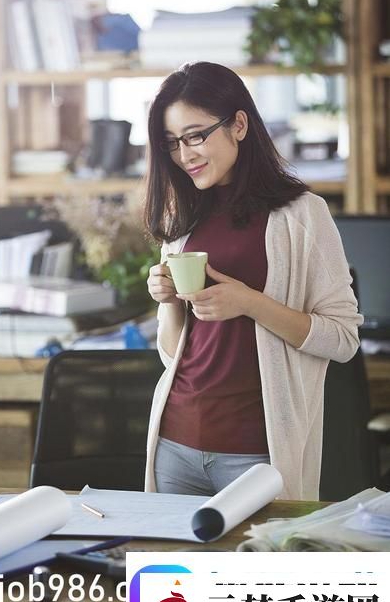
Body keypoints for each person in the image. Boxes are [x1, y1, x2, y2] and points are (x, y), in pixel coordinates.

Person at [144, 61, 363, 501]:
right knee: (169, 572)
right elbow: (173, 356)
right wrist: (168, 301)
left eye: (196, 135)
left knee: (255, 573)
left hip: (256, 453)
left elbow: (342, 339)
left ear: (239, 124)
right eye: (172, 143)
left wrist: (250, 302)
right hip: (176, 442)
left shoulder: (302, 215)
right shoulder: (181, 218)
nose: (184, 154)